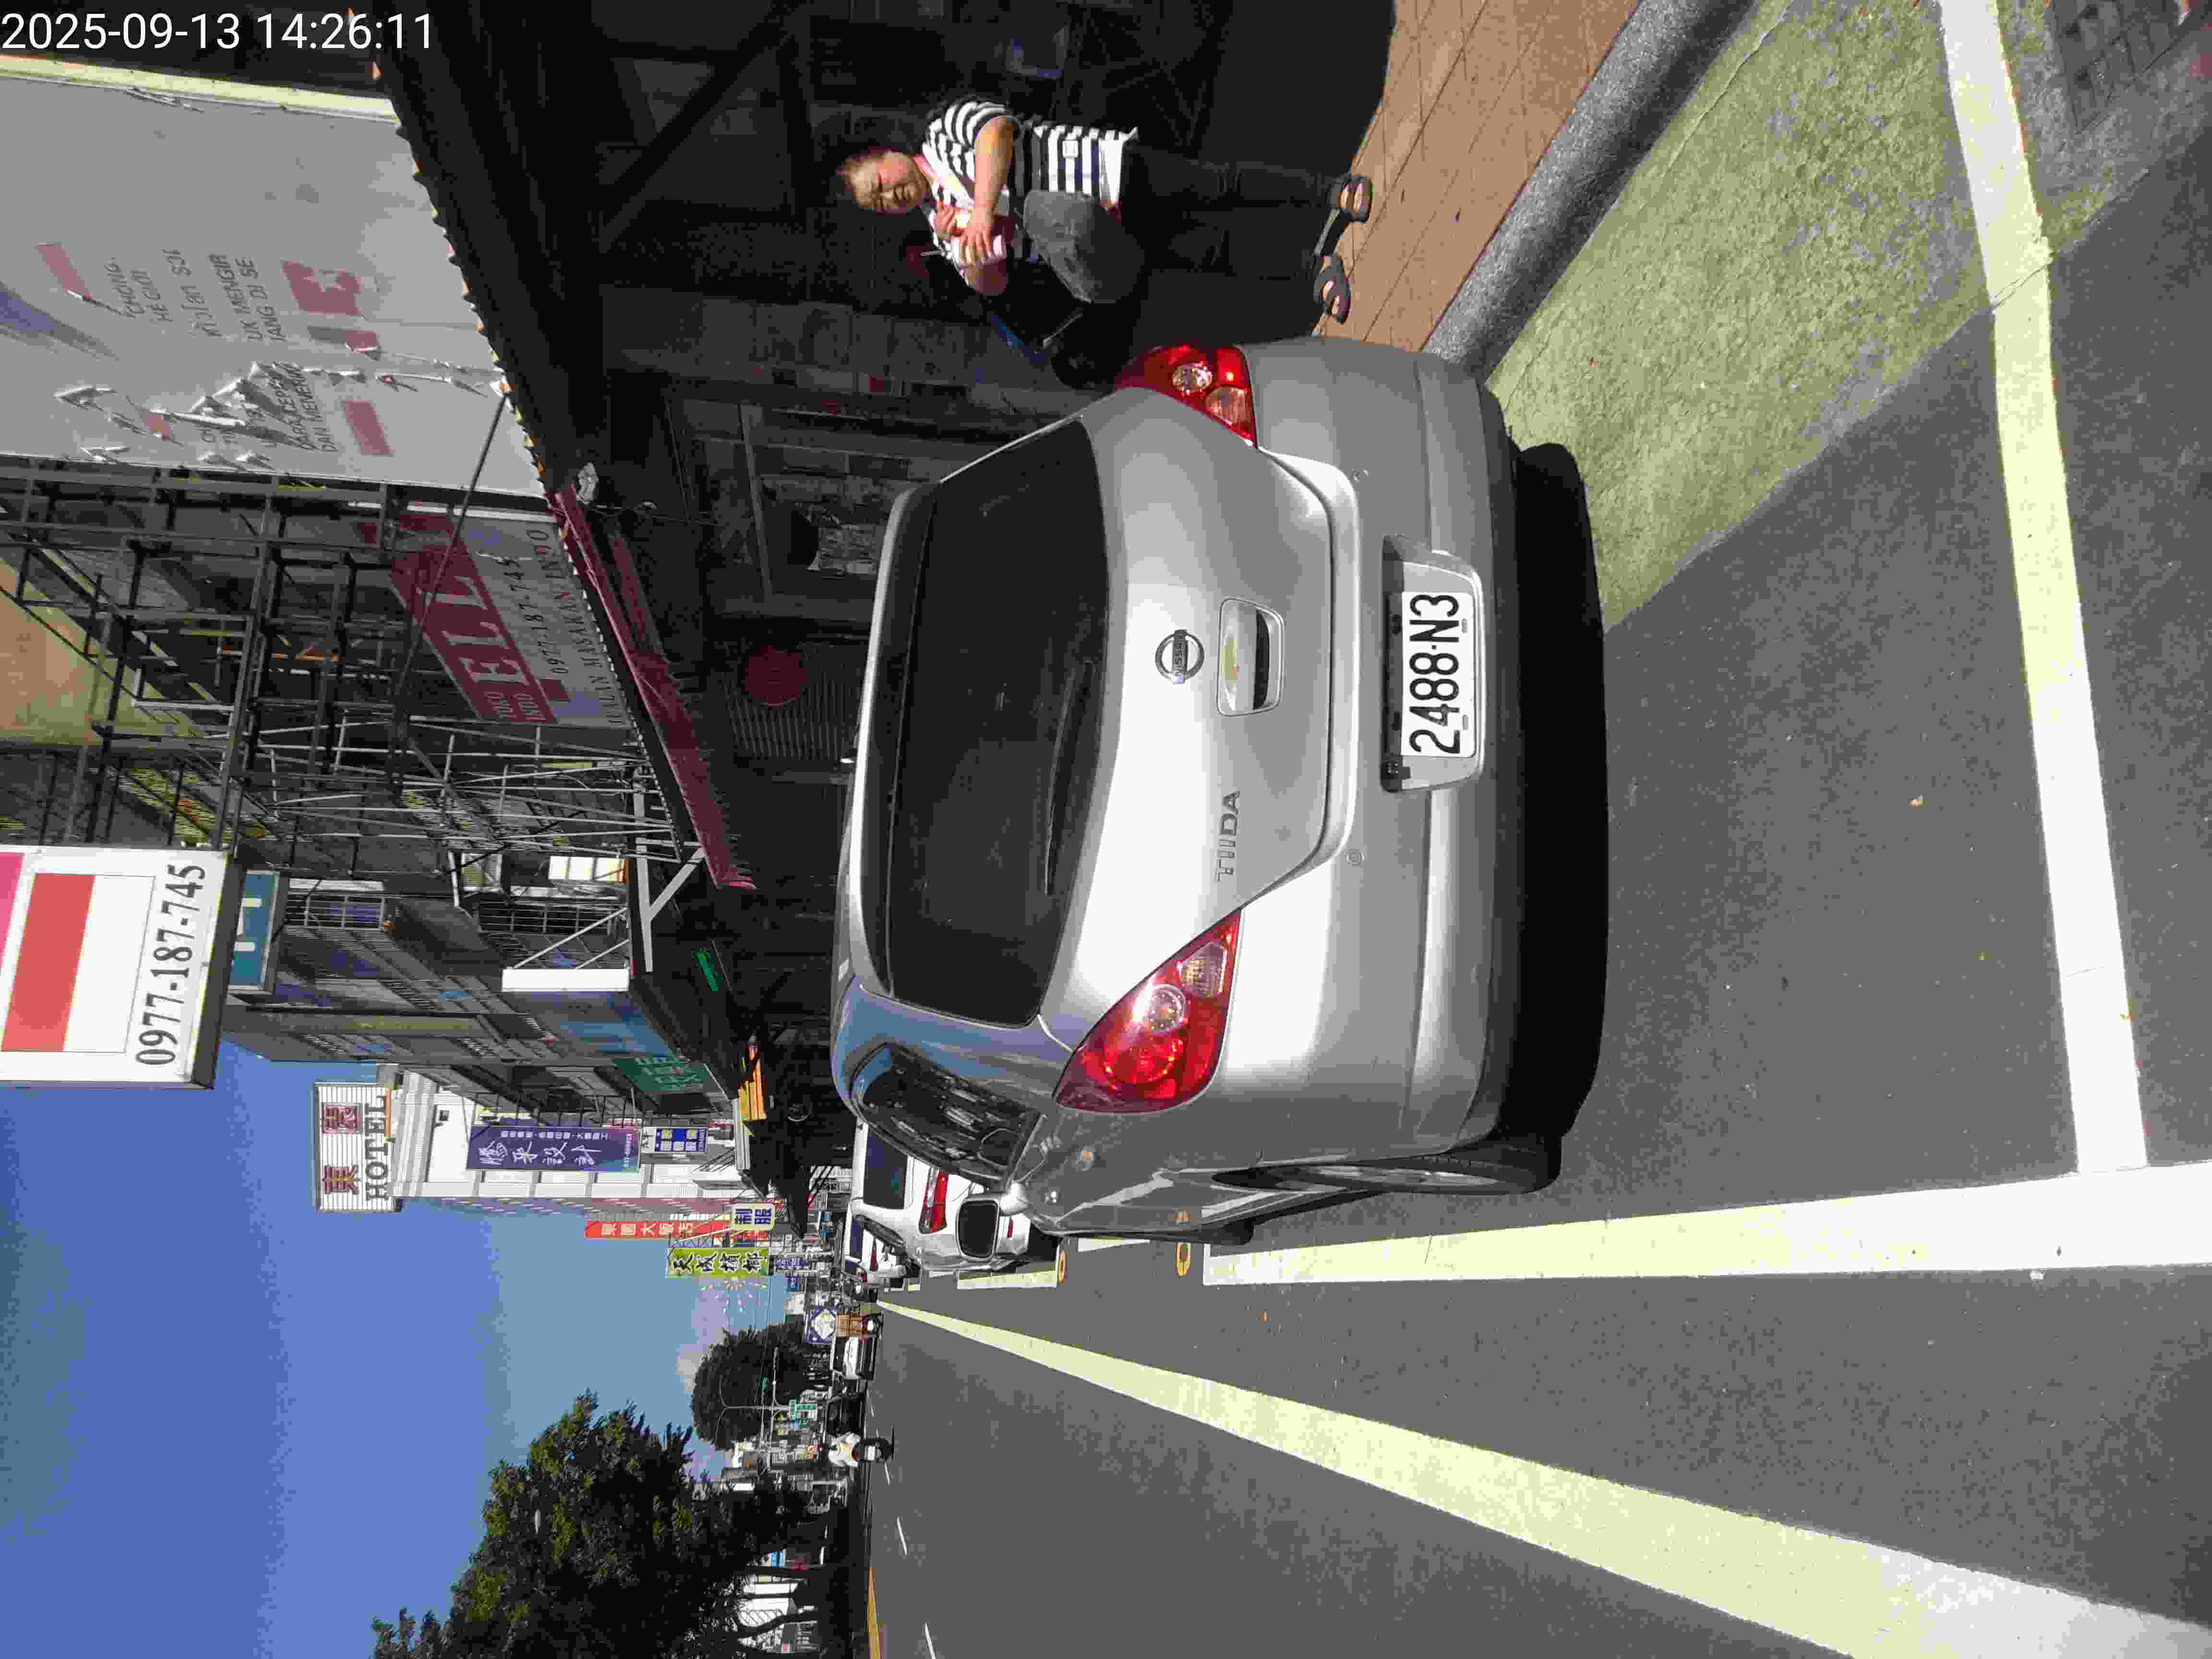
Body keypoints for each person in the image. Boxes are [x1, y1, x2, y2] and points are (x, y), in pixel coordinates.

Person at [831, 95, 1372, 324]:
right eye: (878, 204)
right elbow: (994, 285)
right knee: (1213, 252)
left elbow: (996, 132)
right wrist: (972, 257)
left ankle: (1327, 191)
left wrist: (979, 210)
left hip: (1108, 171)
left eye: (880, 183)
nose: (889, 197)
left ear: (889, 154)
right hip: (1098, 237)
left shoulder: (944, 130)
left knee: (1219, 185)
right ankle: (1313, 272)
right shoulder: (939, 227)